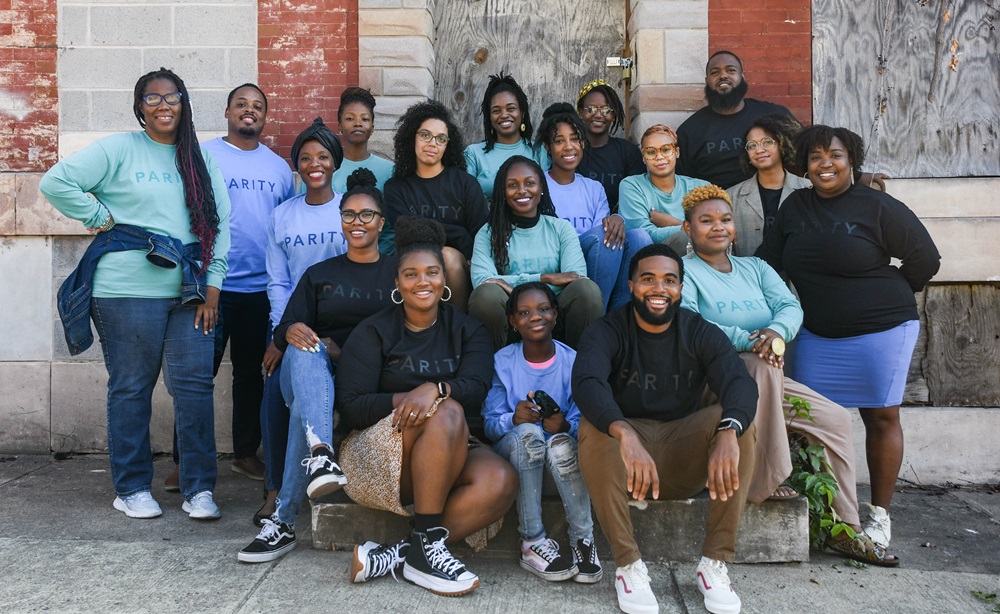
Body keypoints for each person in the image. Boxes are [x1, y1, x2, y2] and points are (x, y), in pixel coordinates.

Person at [41, 67, 231, 520]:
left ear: (184, 104)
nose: (164, 106)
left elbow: (221, 226)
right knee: (131, 387)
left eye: (173, 97)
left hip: (189, 293)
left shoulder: (201, 160)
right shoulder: (120, 149)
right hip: (125, 290)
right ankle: (130, 488)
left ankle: (199, 487)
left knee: (193, 389)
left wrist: (213, 287)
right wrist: (100, 215)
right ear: (139, 107)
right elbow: (56, 182)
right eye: (153, 98)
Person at [680, 185, 899, 566]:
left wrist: (776, 334)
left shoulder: (756, 268)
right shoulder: (684, 272)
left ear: (735, 227)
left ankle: (845, 528)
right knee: (763, 364)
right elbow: (692, 323)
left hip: (765, 371)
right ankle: (768, 477)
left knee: (834, 419)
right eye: (707, 221)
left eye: (726, 220)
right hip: (713, 379)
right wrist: (751, 341)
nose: (718, 227)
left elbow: (790, 306)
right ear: (687, 228)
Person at [755, 125, 941, 552]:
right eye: (816, 156)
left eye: (835, 155)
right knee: (808, 421)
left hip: (882, 330)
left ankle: (879, 517)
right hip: (817, 334)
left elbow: (924, 259)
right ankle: (828, 514)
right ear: (804, 164)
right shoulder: (796, 207)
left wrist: (885, 291)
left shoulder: (876, 205)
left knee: (881, 417)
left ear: (851, 160)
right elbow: (771, 262)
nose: (826, 164)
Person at [572, 244, 758, 614]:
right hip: (624, 464)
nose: (659, 289)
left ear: (681, 288)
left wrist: (728, 430)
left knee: (737, 425)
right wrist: (624, 432)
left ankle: (714, 564)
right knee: (596, 425)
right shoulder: (607, 329)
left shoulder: (699, 331)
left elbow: (739, 382)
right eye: (648, 279)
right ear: (631, 285)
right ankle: (628, 566)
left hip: (680, 454)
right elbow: (587, 381)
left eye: (669, 280)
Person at [337, 217, 518, 596]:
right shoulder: (372, 331)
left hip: (450, 445)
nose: (423, 282)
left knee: (501, 481)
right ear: (397, 282)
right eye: (411, 274)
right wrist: (409, 398)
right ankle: (422, 551)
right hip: (376, 456)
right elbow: (352, 407)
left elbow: (476, 386)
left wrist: (434, 387)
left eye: (432, 272)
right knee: (447, 409)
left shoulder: (468, 329)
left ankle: (413, 549)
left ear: (445, 279)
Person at [239, 169, 396, 563]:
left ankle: (285, 518)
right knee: (306, 347)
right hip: (314, 371)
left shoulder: (398, 274)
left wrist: (344, 351)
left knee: (303, 414)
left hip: (367, 377)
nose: (356, 222)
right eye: (348, 215)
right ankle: (322, 453)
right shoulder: (319, 274)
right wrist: (293, 331)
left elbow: (403, 339)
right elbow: (286, 326)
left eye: (366, 215)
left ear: (382, 222)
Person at [162, 84, 293, 492]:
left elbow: (284, 225)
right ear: (226, 112)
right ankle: (184, 461)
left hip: (258, 290)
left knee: (252, 377)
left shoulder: (278, 168)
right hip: (210, 286)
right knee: (197, 376)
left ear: (265, 117)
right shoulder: (204, 155)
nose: (248, 111)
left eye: (257, 106)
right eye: (241, 105)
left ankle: (244, 453)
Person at [256, 117, 346, 523]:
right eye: (306, 157)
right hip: (295, 324)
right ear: (296, 164)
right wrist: (279, 334)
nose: (314, 164)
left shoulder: (350, 210)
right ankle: (276, 489)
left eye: (323, 156)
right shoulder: (282, 216)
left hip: (342, 322)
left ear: (334, 162)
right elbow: (277, 280)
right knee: (274, 392)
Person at [483, 282, 602, 583]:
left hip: (560, 462)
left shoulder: (573, 362)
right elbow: (489, 423)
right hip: (517, 454)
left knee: (561, 443)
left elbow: (580, 426)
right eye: (524, 312)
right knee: (528, 434)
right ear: (512, 321)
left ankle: (582, 540)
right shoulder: (502, 361)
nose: (535, 317)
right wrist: (514, 418)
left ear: (555, 314)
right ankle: (532, 542)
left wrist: (563, 426)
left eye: (543, 309)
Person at [468, 155, 604, 351]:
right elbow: (483, 281)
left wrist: (509, 283)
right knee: (486, 295)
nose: (522, 190)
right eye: (512, 185)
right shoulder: (488, 233)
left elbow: (575, 277)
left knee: (587, 290)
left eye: (530, 183)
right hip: (510, 314)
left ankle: (579, 366)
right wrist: (546, 278)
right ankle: (493, 370)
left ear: (541, 188)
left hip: (556, 314)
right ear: (502, 193)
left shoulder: (560, 228)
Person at [536, 103, 652, 312]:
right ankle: (597, 315)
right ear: (547, 147)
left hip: (593, 261)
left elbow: (605, 234)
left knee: (640, 237)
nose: (569, 147)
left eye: (575, 139)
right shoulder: (538, 185)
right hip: (559, 258)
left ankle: (616, 314)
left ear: (583, 143)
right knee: (604, 236)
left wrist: (617, 218)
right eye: (559, 141)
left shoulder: (593, 188)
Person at [384, 100, 488, 310]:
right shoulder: (396, 187)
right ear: (411, 137)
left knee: (447, 256)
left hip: (460, 266)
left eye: (441, 139)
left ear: (448, 145)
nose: (433, 143)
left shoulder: (464, 183)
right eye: (425, 135)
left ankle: (457, 325)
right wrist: (459, 235)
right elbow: (409, 231)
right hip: (414, 261)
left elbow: (482, 232)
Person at [676, 50, 795, 189]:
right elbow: (680, 183)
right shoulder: (690, 131)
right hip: (717, 205)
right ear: (707, 81)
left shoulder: (774, 115)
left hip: (774, 199)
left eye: (731, 70)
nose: (723, 75)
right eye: (715, 72)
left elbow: (805, 152)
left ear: (742, 77)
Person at [725, 114, 810, 256]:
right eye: (752, 145)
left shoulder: (808, 188)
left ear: (782, 145)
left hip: (797, 276)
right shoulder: (731, 197)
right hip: (750, 275)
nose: (759, 150)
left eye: (767, 142)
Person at [618, 124, 709, 254]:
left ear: (676, 152)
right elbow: (643, 234)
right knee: (684, 238)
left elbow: (714, 228)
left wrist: (672, 222)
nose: (659, 157)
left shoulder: (701, 188)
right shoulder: (632, 185)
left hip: (703, 258)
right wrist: (691, 228)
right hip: (652, 258)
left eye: (666, 150)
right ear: (644, 157)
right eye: (651, 152)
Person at [464, 72, 549, 200]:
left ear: (522, 113)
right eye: (496, 111)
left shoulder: (537, 151)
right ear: (489, 117)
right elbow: (466, 200)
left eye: (510, 109)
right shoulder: (474, 154)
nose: (504, 115)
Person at [574, 79, 645, 212]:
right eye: (590, 109)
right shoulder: (570, 152)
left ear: (614, 114)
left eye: (606, 110)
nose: (598, 115)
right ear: (580, 112)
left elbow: (637, 198)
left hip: (621, 225)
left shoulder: (627, 152)